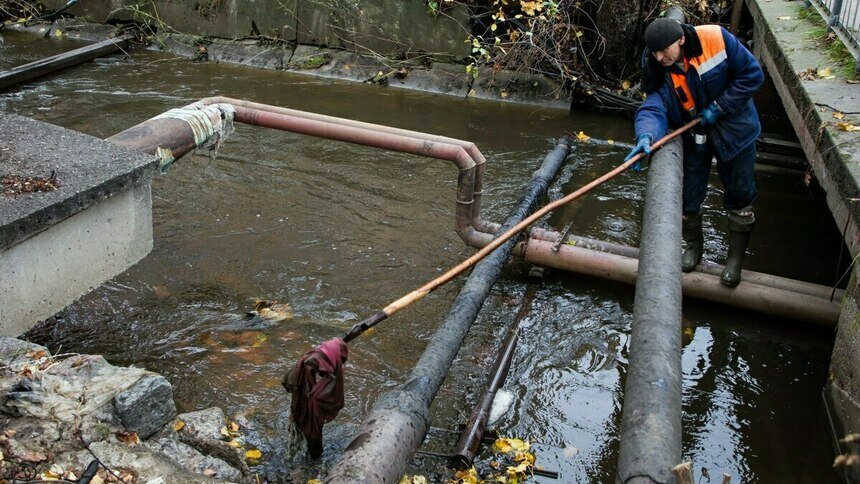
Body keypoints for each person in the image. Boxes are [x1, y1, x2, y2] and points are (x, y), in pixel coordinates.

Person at [625, 17, 764, 287]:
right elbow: (654, 105)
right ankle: (694, 248)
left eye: (664, 50)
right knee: (689, 196)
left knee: (740, 194)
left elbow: (752, 75)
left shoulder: (715, 39)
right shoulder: (655, 63)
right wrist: (646, 135)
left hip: (736, 129)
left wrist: (721, 106)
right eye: (654, 51)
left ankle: (734, 261)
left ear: (681, 40)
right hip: (695, 134)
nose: (659, 56)